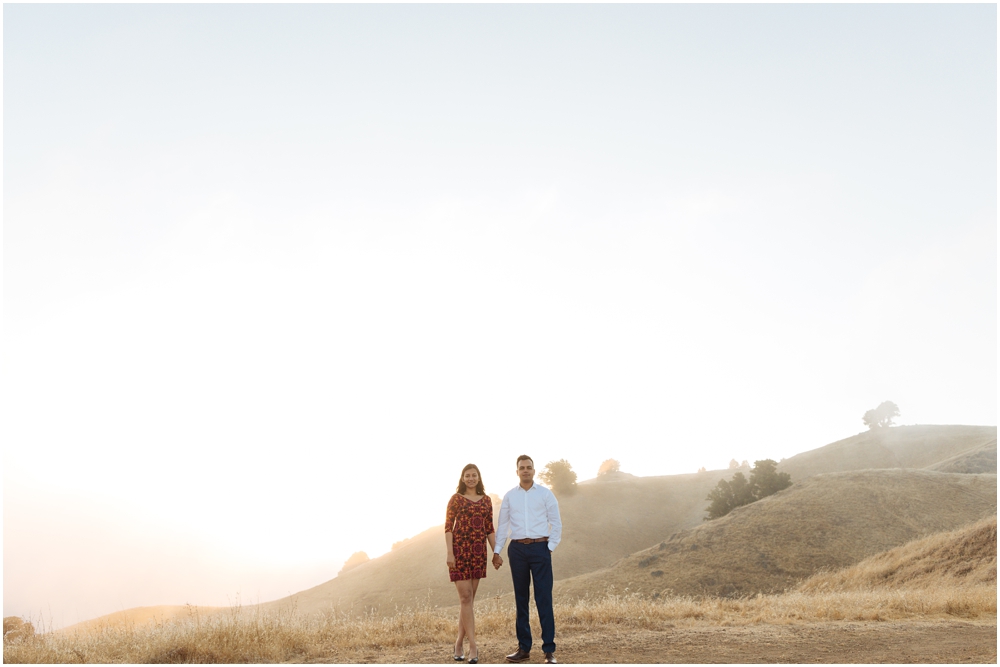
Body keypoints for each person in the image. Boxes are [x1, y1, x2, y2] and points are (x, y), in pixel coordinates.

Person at [492, 455, 563, 665]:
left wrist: (549, 548)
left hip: (541, 548)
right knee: (521, 599)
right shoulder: (509, 497)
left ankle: (549, 650)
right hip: (517, 551)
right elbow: (503, 526)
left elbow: (556, 523)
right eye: (521, 468)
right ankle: (524, 649)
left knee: (544, 599)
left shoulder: (545, 494)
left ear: (534, 471)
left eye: (528, 467)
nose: (525, 470)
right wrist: (497, 552)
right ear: (517, 472)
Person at [445, 463, 497, 665]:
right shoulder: (455, 499)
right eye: (467, 475)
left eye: (474, 475)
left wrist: (496, 552)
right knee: (465, 598)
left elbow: (489, 528)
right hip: (459, 552)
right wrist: (450, 553)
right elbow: (448, 527)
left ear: (479, 478)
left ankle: (458, 642)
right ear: (462, 478)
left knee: (467, 602)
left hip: (478, 553)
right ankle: (473, 646)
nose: (471, 478)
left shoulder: (486, 501)